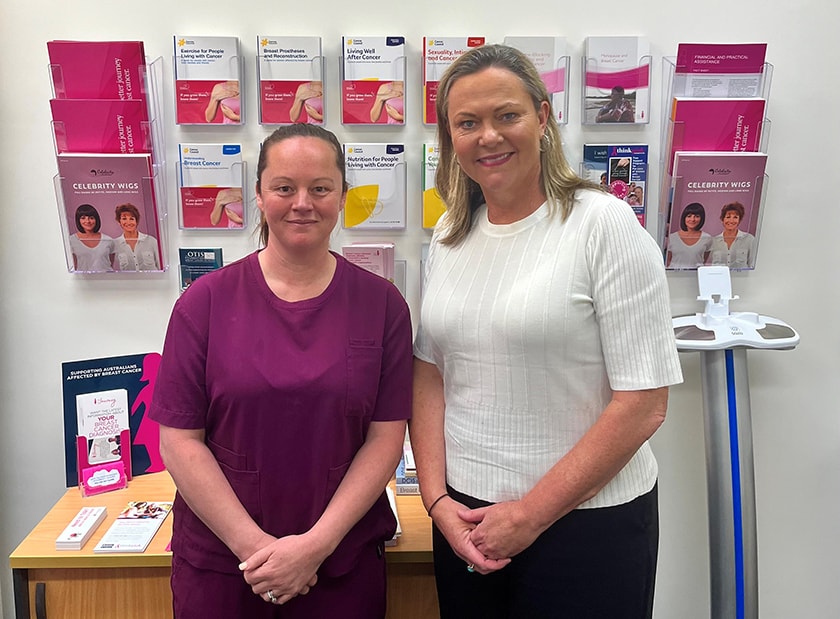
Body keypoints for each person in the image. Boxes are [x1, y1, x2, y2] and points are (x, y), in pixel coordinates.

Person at [411, 44, 683, 619]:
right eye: (468, 123)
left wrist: (530, 514)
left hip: (586, 528)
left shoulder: (602, 224)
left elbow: (644, 403)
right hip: (467, 523)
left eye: (506, 115)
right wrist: (436, 501)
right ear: (450, 138)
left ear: (543, 117)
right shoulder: (449, 237)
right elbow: (431, 373)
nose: (488, 136)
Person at [149, 123, 413, 619]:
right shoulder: (202, 304)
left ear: (341, 196)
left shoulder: (382, 305)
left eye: (320, 188)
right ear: (259, 195)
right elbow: (180, 441)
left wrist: (314, 546)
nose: (302, 203)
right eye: (284, 187)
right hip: (227, 569)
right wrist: (257, 551)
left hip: (340, 565)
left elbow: (385, 439)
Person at [113, 203, 161, 271]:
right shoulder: (115, 245)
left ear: (137, 221)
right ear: (119, 222)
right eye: (124, 219)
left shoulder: (152, 241)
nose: (128, 222)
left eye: (131, 219)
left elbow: (160, 267)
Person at [709, 201, 756, 269]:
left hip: (742, 279)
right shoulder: (713, 241)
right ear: (722, 219)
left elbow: (752, 265)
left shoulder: (749, 239)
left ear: (739, 220)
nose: (731, 220)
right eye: (728, 217)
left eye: (735, 217)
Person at [68, 203, 114, 272]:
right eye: (83, 218)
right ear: (78, 220)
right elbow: (73, 266)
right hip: (83, 280)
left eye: (91, 218)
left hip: (106, 279)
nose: (87, 221)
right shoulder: (71, 241)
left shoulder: (108, 240)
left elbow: (110, 263)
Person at [666, 202, 712, 269]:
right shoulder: (672, 237)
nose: (692, 219)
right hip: (674, 276)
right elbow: (668, 260)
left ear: (701, 218)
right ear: (684, 218)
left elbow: (704, 260)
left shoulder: (707, 238)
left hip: (696, 276)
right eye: (689, 216)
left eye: (696, 216)